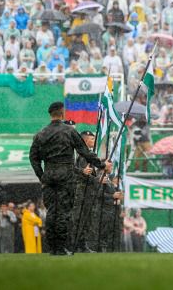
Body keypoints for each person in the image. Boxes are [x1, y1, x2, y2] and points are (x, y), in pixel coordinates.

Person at [29, 101, 112, 255]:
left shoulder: (40, 134)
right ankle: (60, 248)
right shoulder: (68, 131)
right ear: (62, 113)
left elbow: (33, 158)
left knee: (51, 211)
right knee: (63, 212)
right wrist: (100, 165)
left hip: (49, 174)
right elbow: (85, 152)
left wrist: (42, 176)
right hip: (66, 175)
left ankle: (52, 248)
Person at [70, 130, 99, 253]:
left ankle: (82, 244)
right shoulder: (84, 157)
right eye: (92, 139)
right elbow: (81, 174)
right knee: (79, 218)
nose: (94, 141)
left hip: (88, 191)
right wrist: (97, 179)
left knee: (86, 219)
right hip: (82, 191)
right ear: (86, 141)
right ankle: (75, 244)